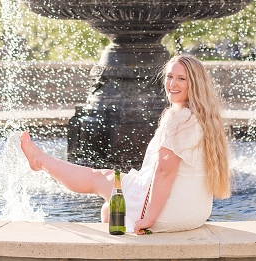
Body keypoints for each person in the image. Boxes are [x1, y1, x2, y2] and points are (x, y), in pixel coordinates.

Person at [20, 53, 231, 234]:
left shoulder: (179, 119)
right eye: (169, 77)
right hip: (196, 212)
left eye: (181, 79)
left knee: (98, 178)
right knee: (110, 208)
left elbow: (165, 172)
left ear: (194, 84)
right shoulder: (204, 116)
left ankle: (40, 160)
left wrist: (149, 219)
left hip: (173, 213)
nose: (172, 84)